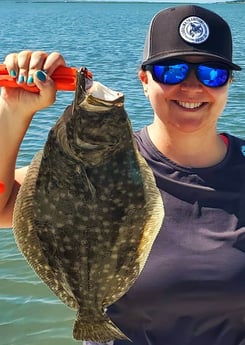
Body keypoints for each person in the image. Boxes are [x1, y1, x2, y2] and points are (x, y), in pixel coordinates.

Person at [0, 4, 245, 345]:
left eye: (212, 74)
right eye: (171, 71)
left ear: (229, 84)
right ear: (144, 80)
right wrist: (12, 113)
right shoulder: (98, 160)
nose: (192, 86)